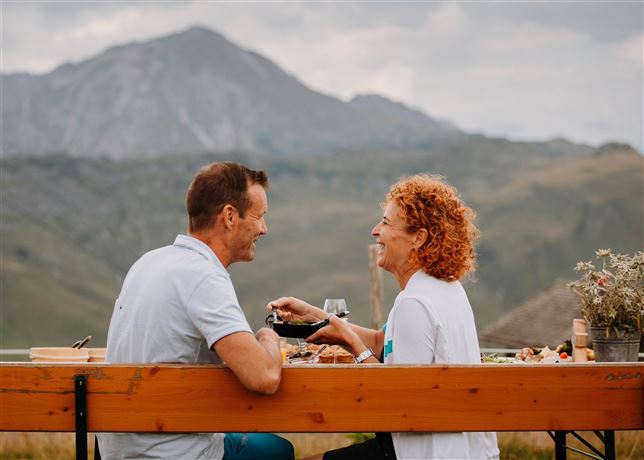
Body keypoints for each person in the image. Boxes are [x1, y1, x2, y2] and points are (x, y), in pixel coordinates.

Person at [268, 174, 499, 460]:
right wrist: (317, 316)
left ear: (419, 237)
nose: (375, 230)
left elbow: (393, 402)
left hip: (422, 452)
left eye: (386, 223)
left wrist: (352, 345)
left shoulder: (415, 303)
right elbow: (383, 342)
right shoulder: (445, 289)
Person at [97, 162, 294, 460]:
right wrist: (268, 337)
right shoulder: (203, 276)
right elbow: (264, 377)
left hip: (117, 448)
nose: (264, 229)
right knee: (279, 451)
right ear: (229, 216)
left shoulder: (149, 261)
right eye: (259, 216)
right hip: (169, 452)